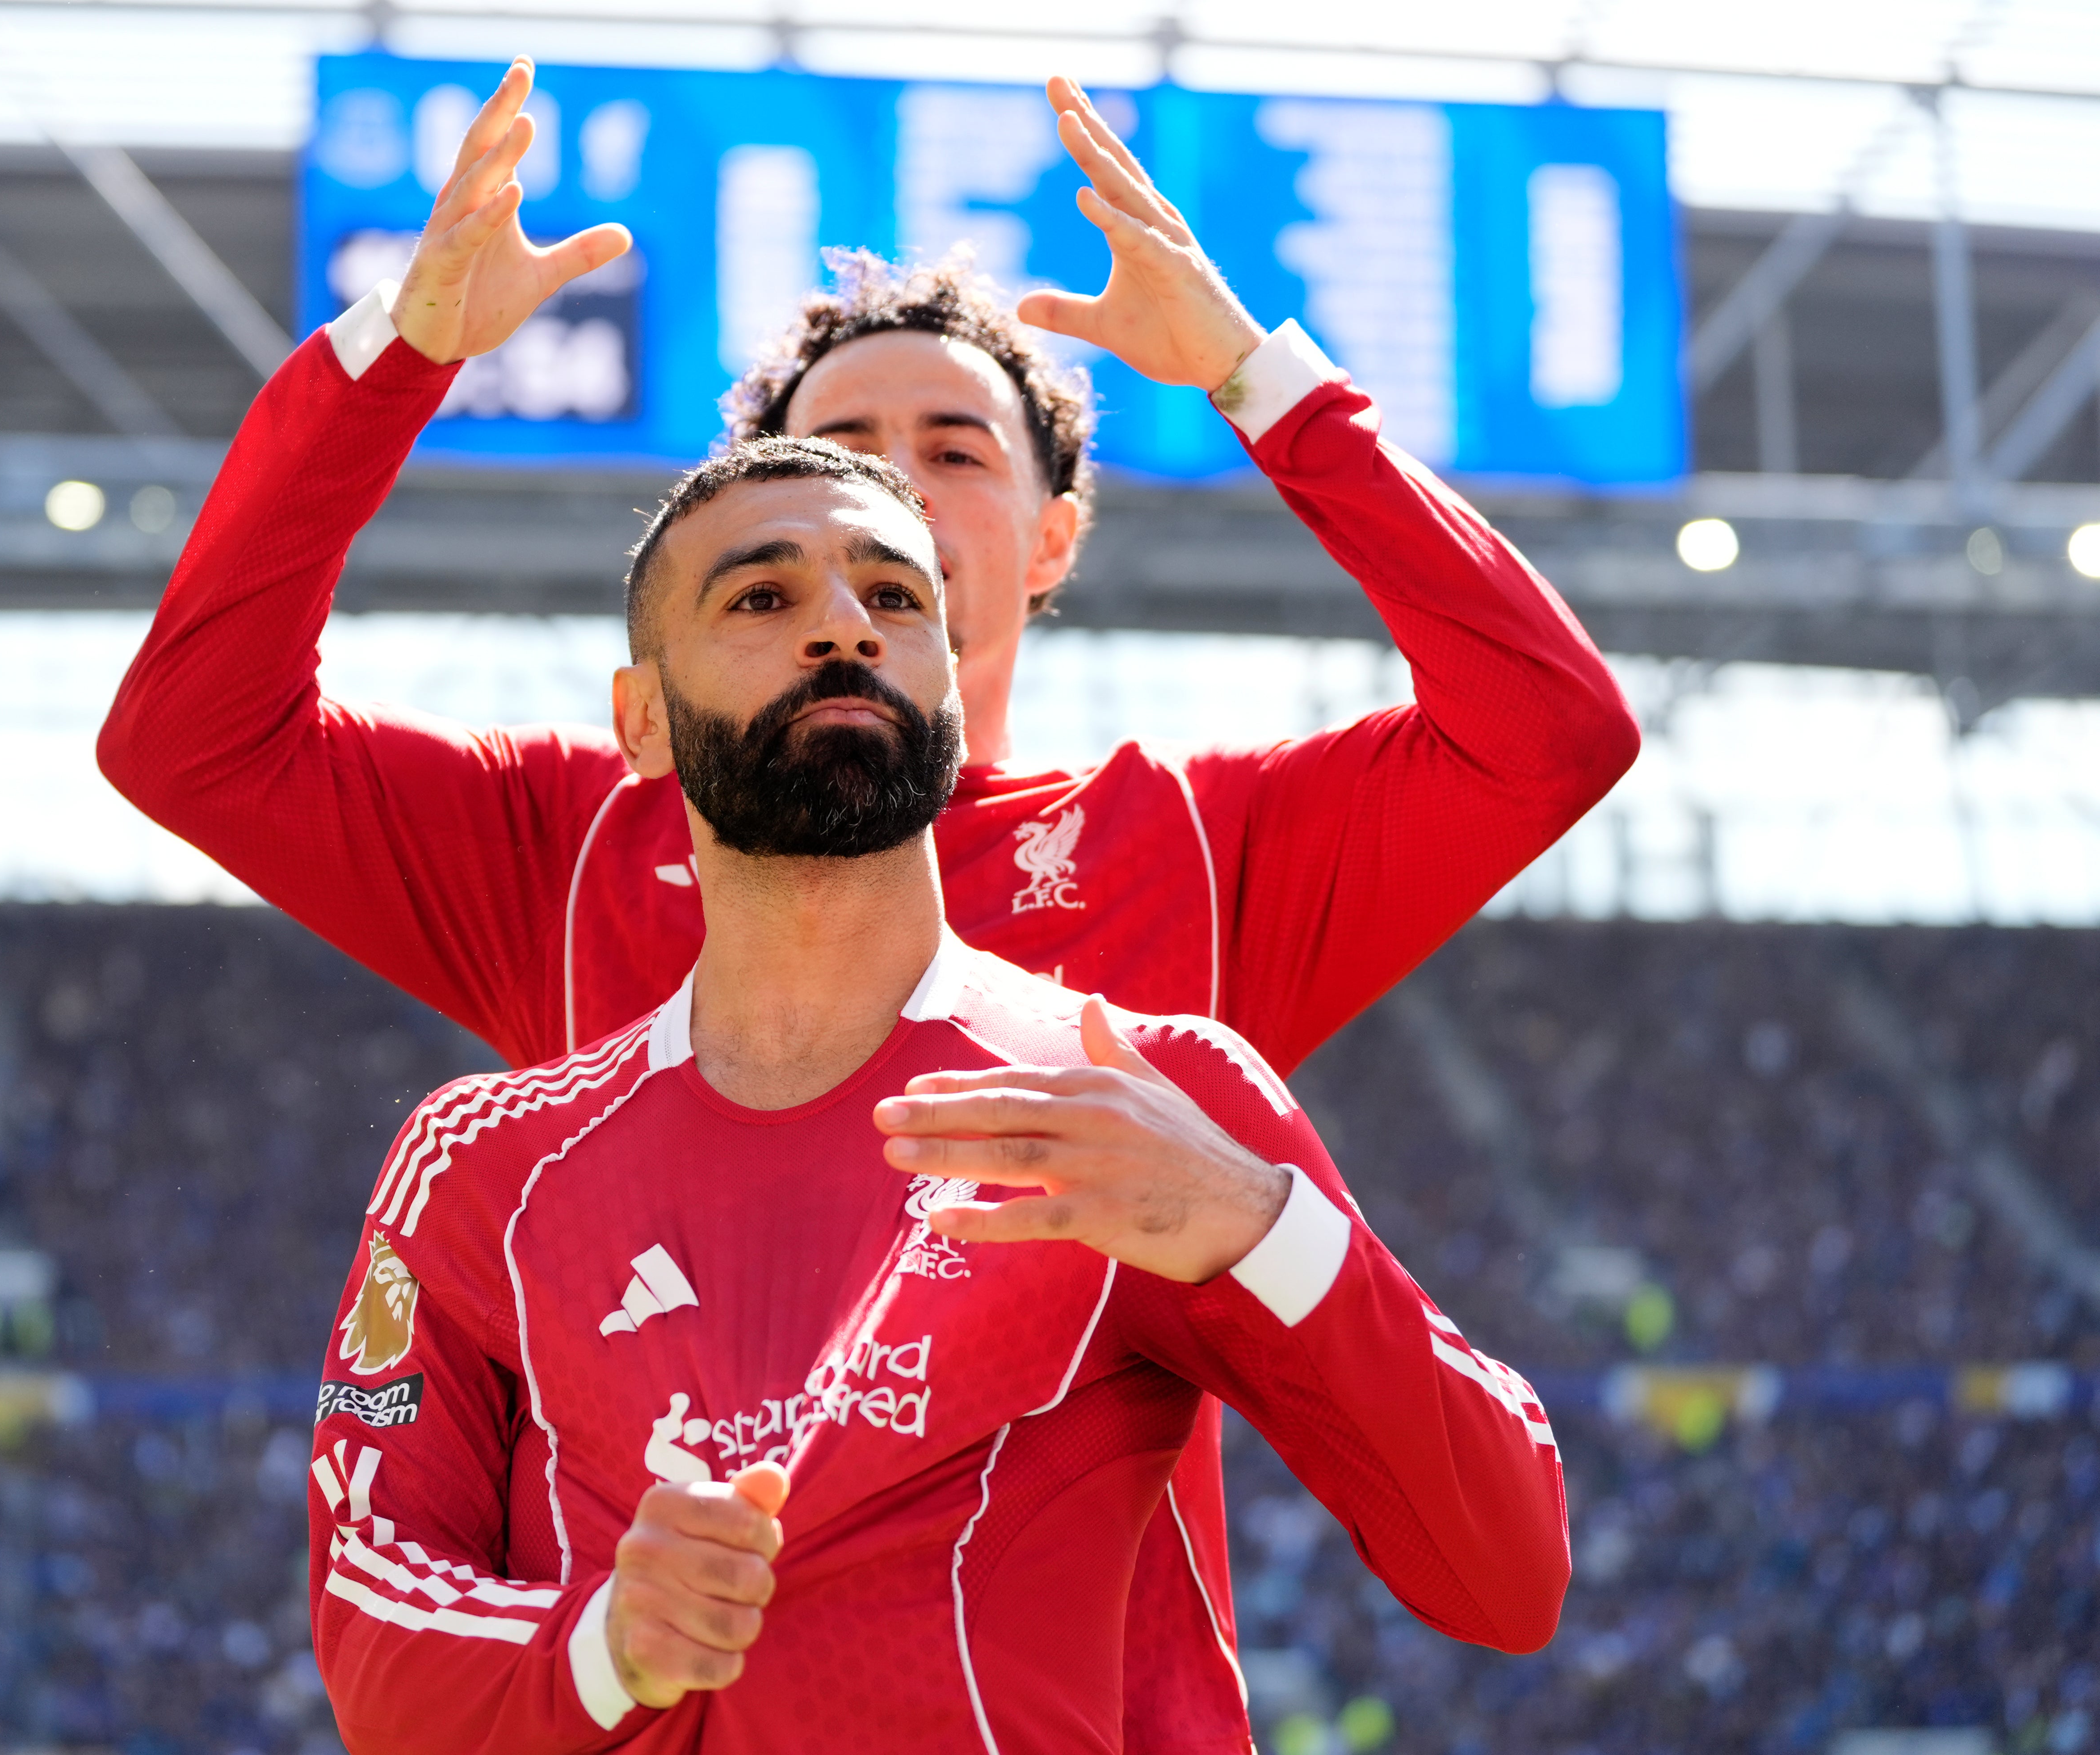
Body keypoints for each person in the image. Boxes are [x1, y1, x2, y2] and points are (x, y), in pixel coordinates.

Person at [99, 62, 1634, 1751]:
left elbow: (1549, 729)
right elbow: (195, 733)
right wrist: (390, 358)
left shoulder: (1186, 856)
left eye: (949, 453)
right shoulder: (582, 841)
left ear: (1049, 542)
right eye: (829, 465)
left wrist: (1264, 383)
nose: (886, 493)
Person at [302, 432, 1569, 1753]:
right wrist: (605, 1647)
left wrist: (1258, 1222)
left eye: (893, 597)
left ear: (951, 697)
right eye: (762, 596)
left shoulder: (1139, 1097)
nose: (844, 627)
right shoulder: (481, 1163)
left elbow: (1505, 1571)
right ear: (641, 723)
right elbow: (375, 1624)